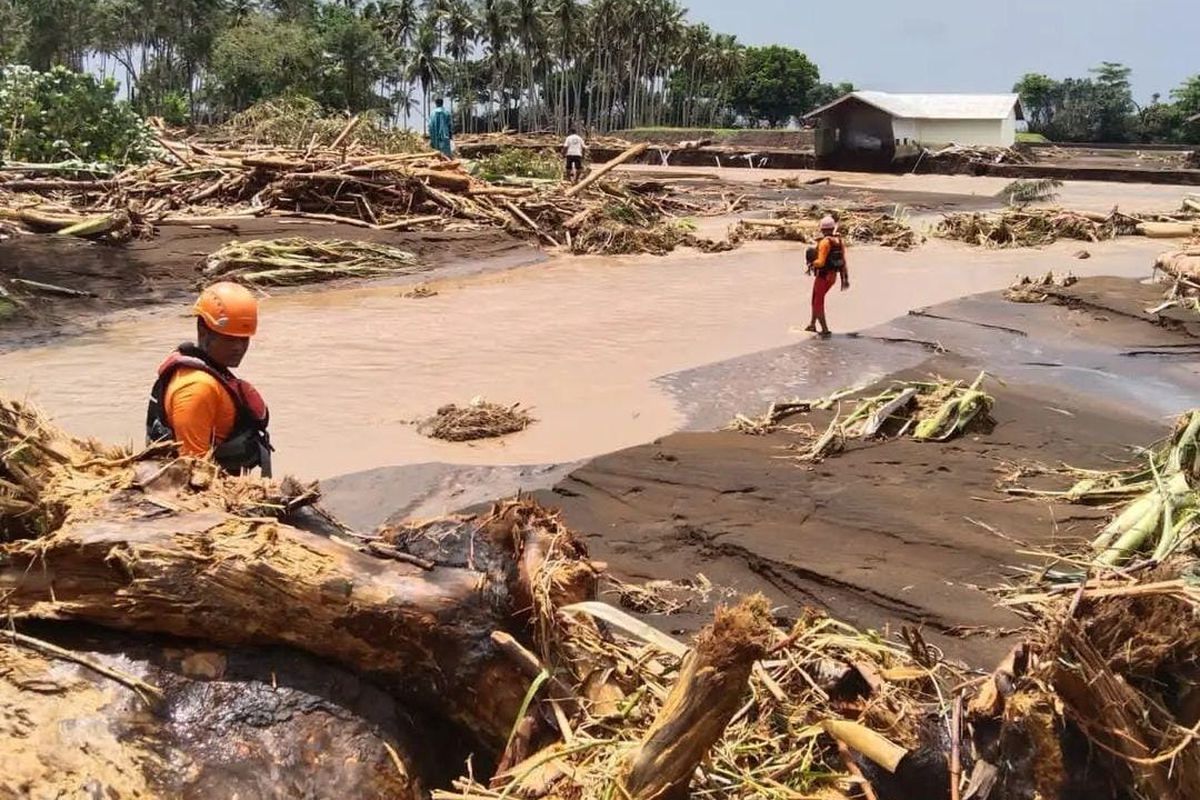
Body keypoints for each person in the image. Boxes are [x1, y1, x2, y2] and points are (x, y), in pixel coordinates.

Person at [146, 282, 273, 477]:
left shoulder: (210, 371)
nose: (239, 347)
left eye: (244, 339)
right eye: (229, 339)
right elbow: (193, 471)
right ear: (203, 330)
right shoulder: (197, 389)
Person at [805, 215, 850, 338]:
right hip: (833, 277)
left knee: (817, 303)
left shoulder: (825, 243)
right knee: (815, 300)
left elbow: (821, 262)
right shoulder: (839, 241)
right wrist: (845, 279)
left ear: (822, 229)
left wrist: (811, 262)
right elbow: (843, 261)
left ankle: (825, 330)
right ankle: (812, 324)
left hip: (823, 277)